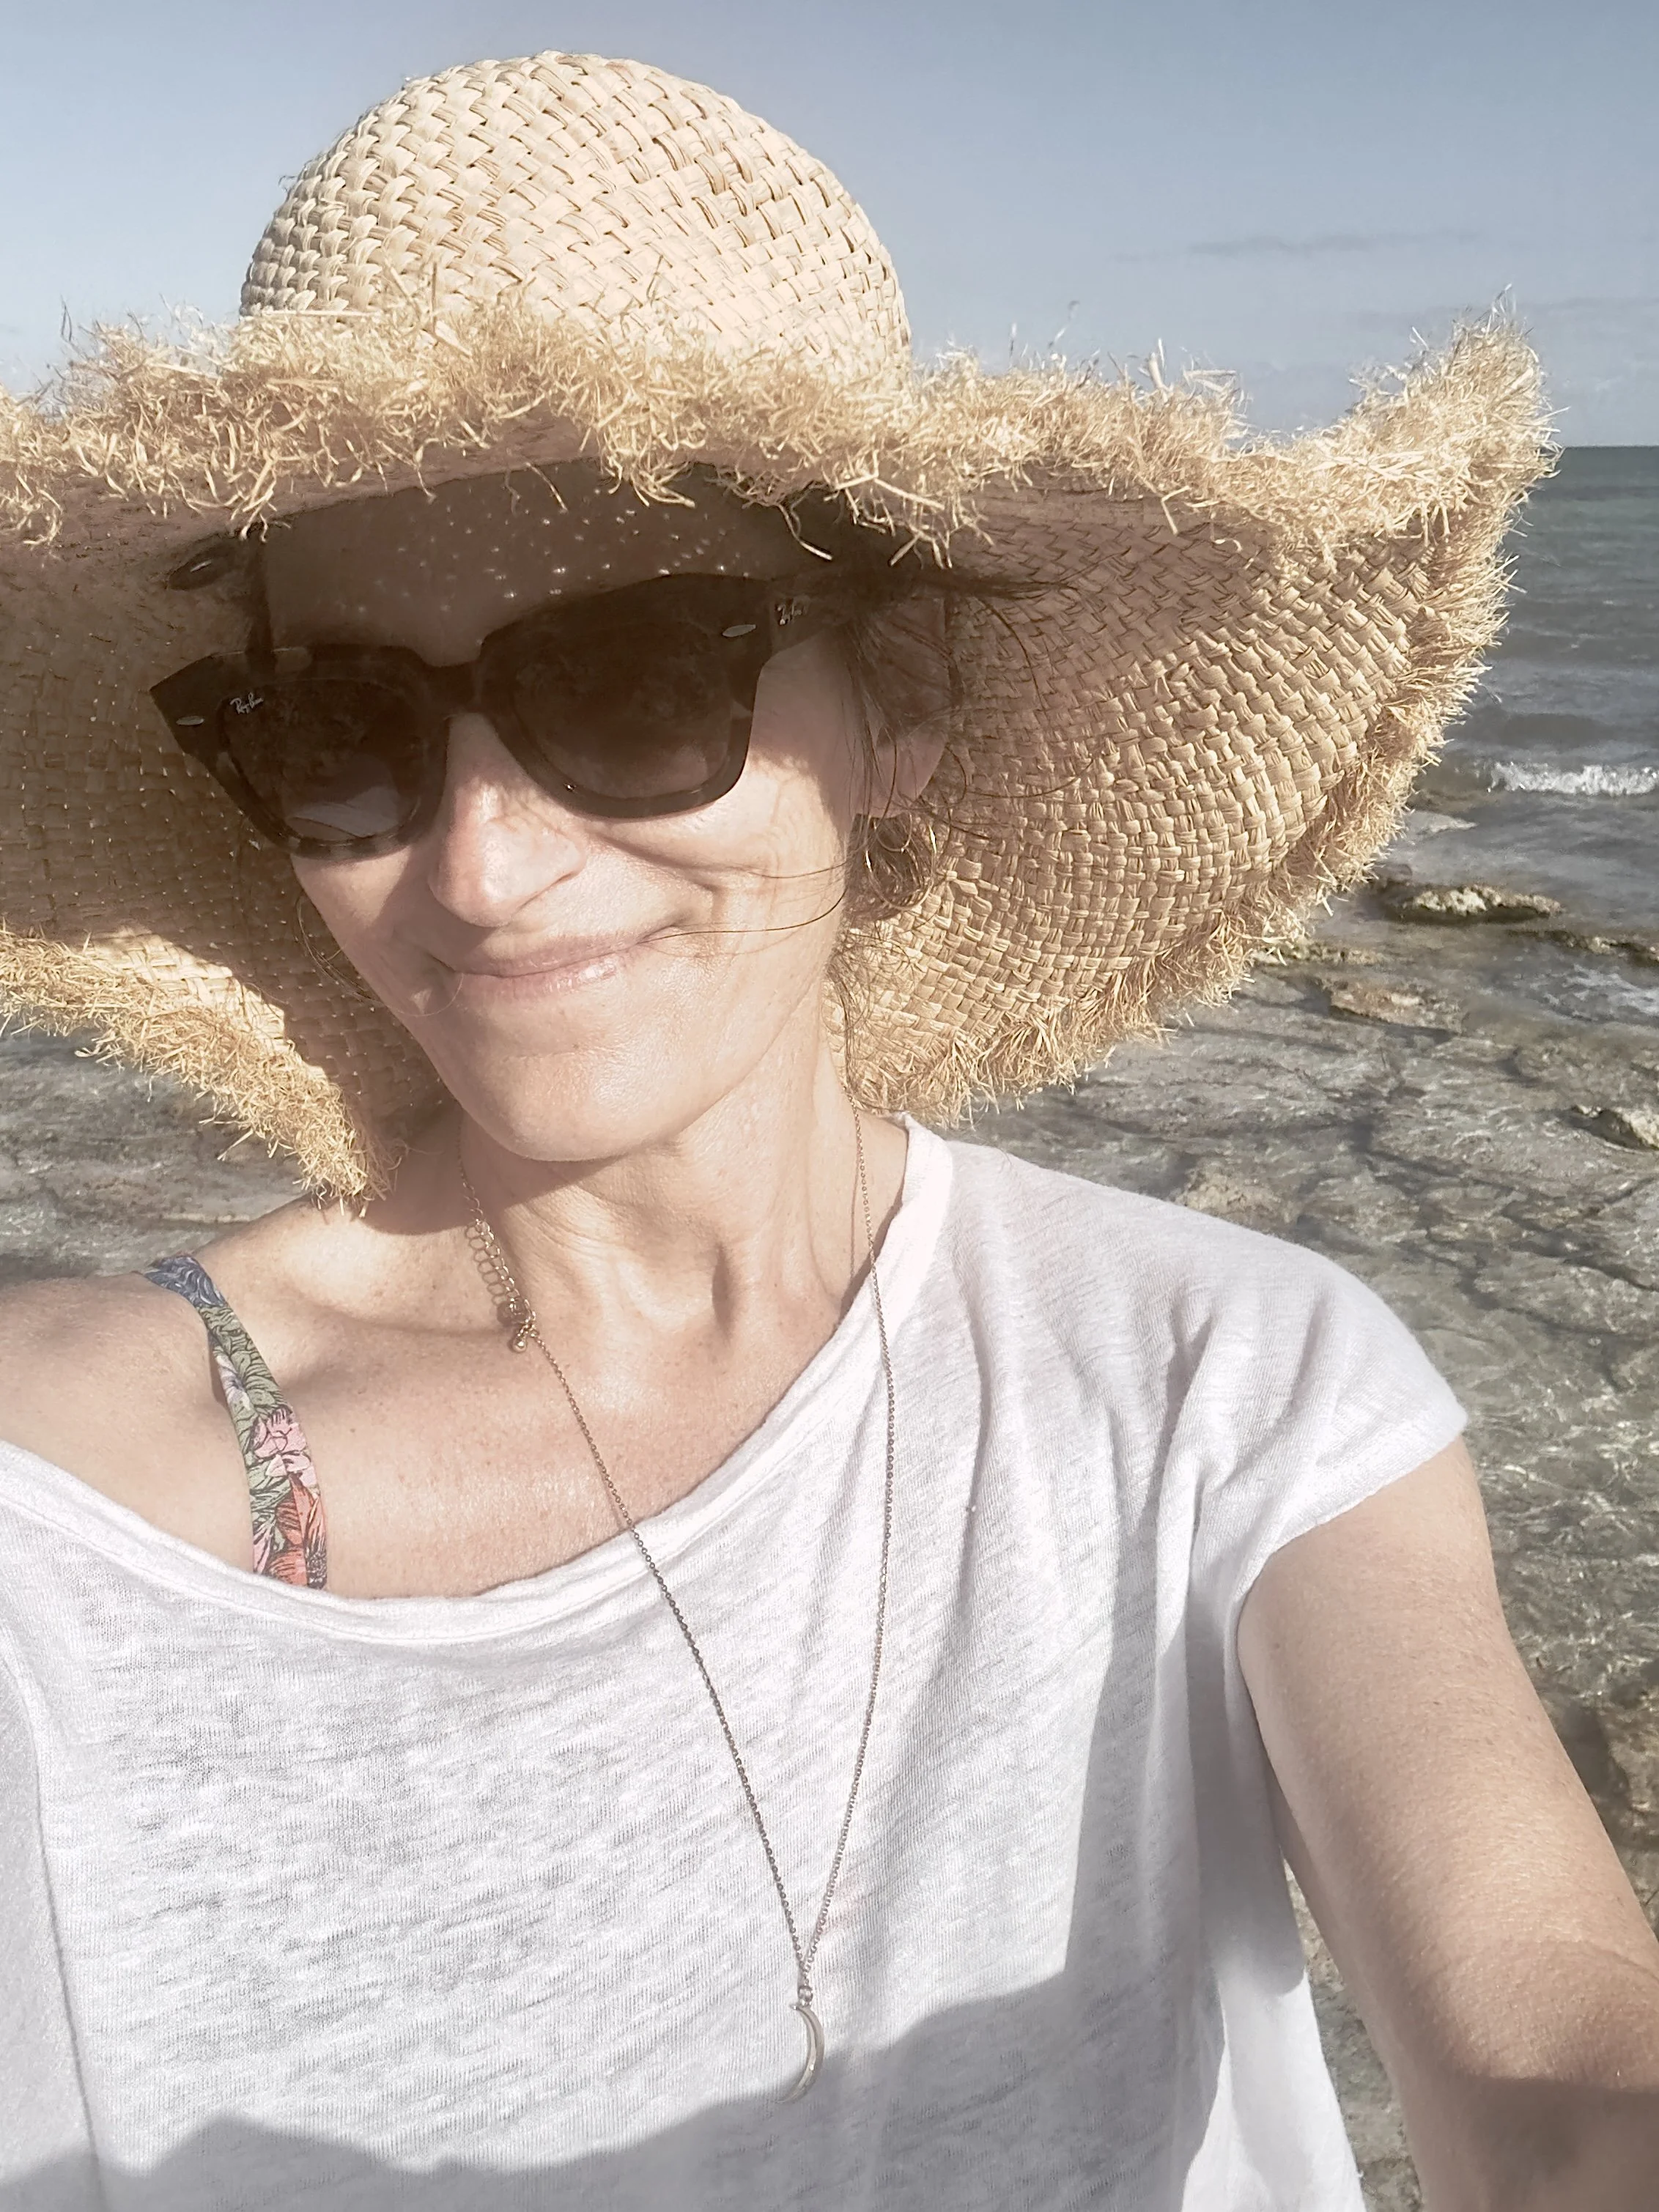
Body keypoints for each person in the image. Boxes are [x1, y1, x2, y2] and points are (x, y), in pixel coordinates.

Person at [0, 48, 1654, 2212]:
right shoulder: (69, 1484)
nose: (484, 870)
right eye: (345, 727)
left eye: (626, 686)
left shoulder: (1222, 1386)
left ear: (903, 715)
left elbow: (1549, 2037)